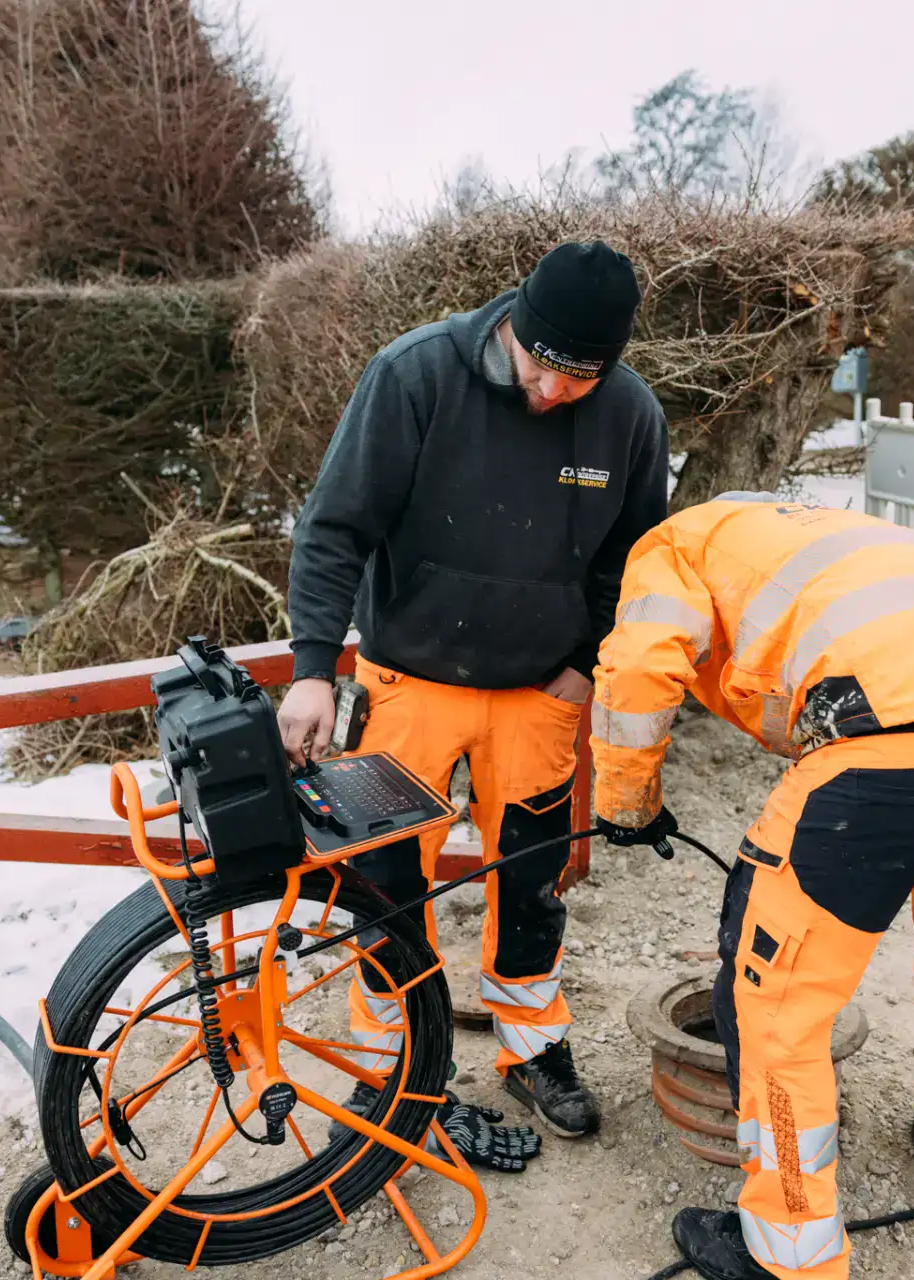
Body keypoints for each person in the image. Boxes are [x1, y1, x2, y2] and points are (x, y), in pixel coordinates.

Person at [588, 493, 914, 1279]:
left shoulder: (667, 546)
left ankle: (791, 1246)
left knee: (773, 997)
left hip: (889, 748)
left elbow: (640, 668)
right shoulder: (818, 531)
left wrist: (625, 806)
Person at [278, 240, 671, 1158]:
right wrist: (308, 668)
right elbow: (334, 527)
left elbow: (640, 557)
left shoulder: (628, 413)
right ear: (513, 329)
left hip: (540, 694)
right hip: (407, 683)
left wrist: (588, 660)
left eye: (579, 383)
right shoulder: (415, 375)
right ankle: (394, 1068)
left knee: (531, 879)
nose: (552, 396)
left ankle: (532, 1048)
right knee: (382, 882)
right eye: (542, 372)